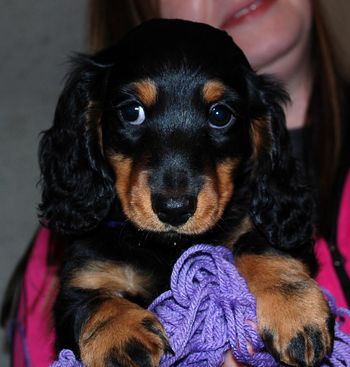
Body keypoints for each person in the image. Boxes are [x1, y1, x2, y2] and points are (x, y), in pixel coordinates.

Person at [2, 1, 349, 366]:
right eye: (132, 112)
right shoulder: (63, 258)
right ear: (94, 124)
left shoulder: (253, 224)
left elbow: (273, 233)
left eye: (219, 115)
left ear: (258, 135)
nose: (175, 194)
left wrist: (274, 272)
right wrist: (103, 319)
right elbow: (75, 309)